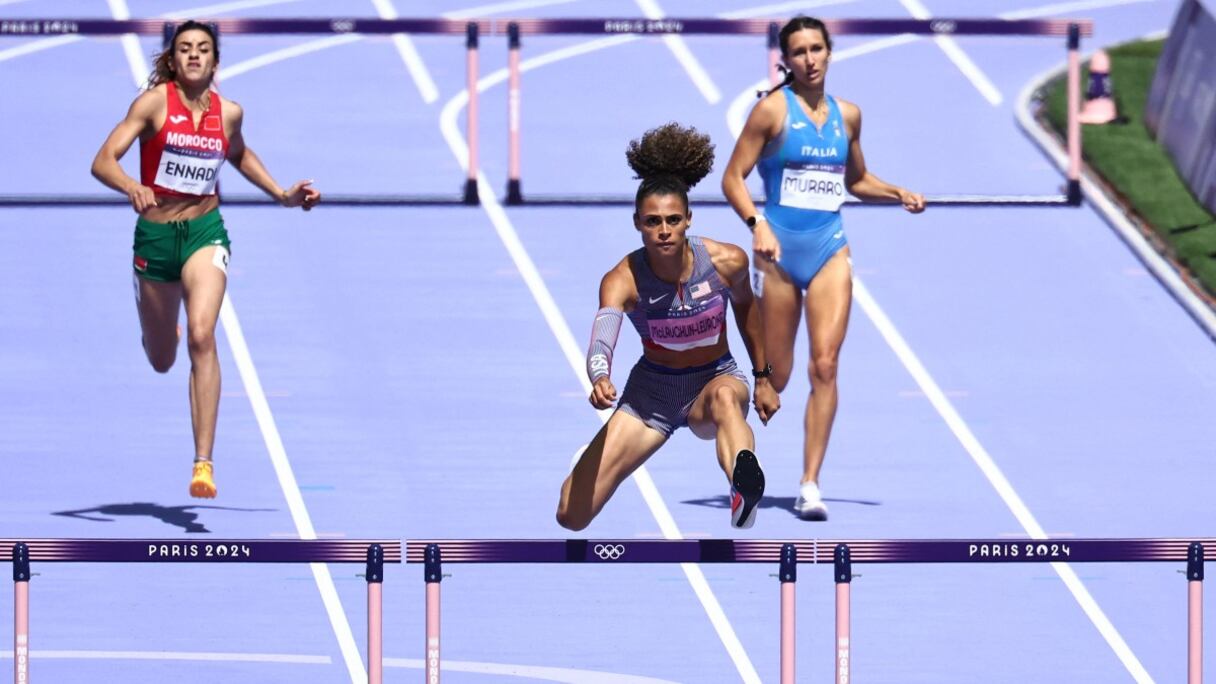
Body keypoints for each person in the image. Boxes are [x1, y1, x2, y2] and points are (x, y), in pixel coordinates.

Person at [91, 20, 320, 498]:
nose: (194, 55)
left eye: (203, 49)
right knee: (161, 358)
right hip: (155, 239)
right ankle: (161, 325)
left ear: (215, 61)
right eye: (185, 49)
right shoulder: (153, 105)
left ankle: (203, 463)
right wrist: (131, 184)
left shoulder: (229, 113)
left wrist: (281, 193)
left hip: (204, 233)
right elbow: (103, 160)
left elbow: (237, 153)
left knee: (203, 334)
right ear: (173, 61)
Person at [722, 16, 925, 520]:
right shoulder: (771, 112)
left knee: (826, 365)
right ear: (785, 61)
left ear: (831, 53)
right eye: (799, 51)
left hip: (830, 248)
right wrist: (757, 225)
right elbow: (732, 178)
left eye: (817, 49)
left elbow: (856, 181)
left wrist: (896, 191)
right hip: (778, 256)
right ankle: (735, 443)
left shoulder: (848, 116)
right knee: (780, 376)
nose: (809, 59)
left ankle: (810, 484)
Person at [556, 123, 781, 531]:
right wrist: (600, 375)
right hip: (651, 396)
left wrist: (763, 377)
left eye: (673, 220)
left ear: (688, 220)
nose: (663, 231)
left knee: (728, 402)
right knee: (572, 515)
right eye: (653, 221)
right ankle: (591, 460)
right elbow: (603, 338)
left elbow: (748, 312)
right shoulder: (622, 279)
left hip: (714, 379)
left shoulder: (726, 262)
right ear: (637, 223)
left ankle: (743, 487)